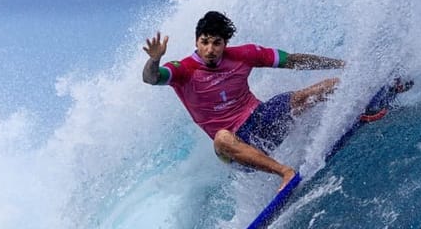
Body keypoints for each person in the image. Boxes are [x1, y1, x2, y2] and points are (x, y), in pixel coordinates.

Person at [142, 11, 344, 191]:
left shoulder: (243, 55)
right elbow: (151, 78)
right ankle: (285, 172)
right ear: (196, 42)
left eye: (216, 43)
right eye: (205, 42)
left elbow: (291, 60)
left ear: (225, 44)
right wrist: (154, 60)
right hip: (235, 150)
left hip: (262, 123)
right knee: (221, 137)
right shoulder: (184, 70)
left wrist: (340, 64)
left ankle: (353, 102)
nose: (210, 49)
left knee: (317, 90)